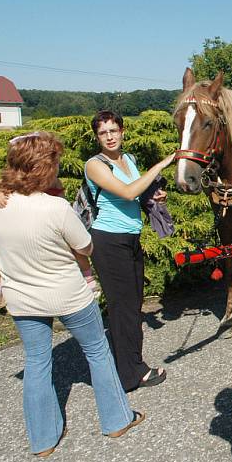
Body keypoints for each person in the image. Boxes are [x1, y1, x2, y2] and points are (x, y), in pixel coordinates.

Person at [0, 132, 144, 457]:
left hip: (22, 299)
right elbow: (85, 245)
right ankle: (117, 420)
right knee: (98, 352)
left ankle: (43, 441)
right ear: (45, 167)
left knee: (37, 362)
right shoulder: (55, 207)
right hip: (69, 296)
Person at [85, 110, 176, 392]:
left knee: (132, 305)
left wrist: (155, 194)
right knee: (122, 308)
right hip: (108, 240)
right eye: (103, 133)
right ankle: (131, 375)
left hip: (130, 238)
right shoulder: (95, 165)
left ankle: (129, 365)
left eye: (113, 131)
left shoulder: (128, 160)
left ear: (122, 131)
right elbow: (126, 193)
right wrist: (159, 167)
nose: (109, 137)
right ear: (97, 137)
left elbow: (137, 193)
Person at [0, 173, 101, 320]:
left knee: (74, 247)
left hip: (47, 232)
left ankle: (88, 278)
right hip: (20, 234)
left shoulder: (53, 183)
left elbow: (60, 211)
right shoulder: (15, 181)